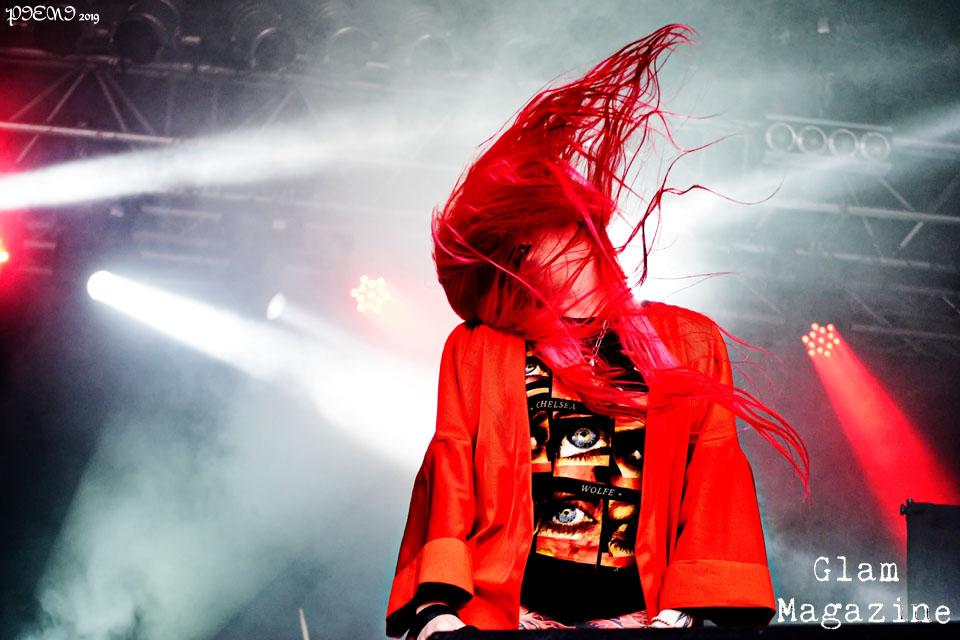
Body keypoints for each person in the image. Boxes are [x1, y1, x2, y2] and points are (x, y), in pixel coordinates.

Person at [385, 24, 810, 640]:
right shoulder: (479, 348)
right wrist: (437, 610)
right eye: (540, 236)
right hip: (508, 616)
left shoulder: (688, 341)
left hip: (641, 617)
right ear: (517, 259)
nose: (572, 246)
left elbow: (712, 475)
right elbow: (450, 466)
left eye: (576, 229)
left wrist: (685, 612)